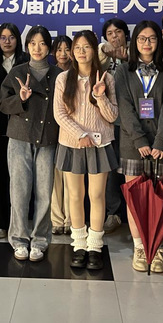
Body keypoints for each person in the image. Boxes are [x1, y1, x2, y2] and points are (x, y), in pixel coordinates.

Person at [54, 30, 118, 270]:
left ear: (94, 50)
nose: (81, 52)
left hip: (100, 144)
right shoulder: (63, 79)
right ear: (72, 52)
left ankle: (95, 246)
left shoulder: (107, 78)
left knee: (97, 196)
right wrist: (80, 135)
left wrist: (100, 97)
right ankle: (79, 245)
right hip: (72, 144)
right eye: (77, 48)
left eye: (86, 47)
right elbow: (59, 114)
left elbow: (112, 116)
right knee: (74, 195)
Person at [115, 21, 163, 273]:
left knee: (159, 200)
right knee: (135, 200)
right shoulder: (123, 71)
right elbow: (125, 107)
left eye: (151, 38)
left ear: (158, 42)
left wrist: (160, 142)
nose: (147, 43)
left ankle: (157, 247)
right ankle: (140, 247)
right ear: (135, 42)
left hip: (161, 147)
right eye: (142, 38)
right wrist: (140, 140)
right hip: (133, 145)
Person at [0, 25, 61, 262]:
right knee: (19, 191)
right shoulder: (17, 71)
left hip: (48, 138)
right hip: (20, 138)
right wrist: (20, 98)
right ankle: (19, 239)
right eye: (33, 43)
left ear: (49, 48)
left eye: (42, 43)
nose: (37, 48)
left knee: (44, 193)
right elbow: (2, 104)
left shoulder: (59, 74)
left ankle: (40, 240)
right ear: (26, 46)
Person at [0, 23, 29, 239]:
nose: (7, 41)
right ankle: (0, 222)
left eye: (11, 37)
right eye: (3, 37)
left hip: (23, 127)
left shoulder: (27, 61)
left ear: (18, 39)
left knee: (22, 178)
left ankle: (20, 223)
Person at [98, 18, 130, 234]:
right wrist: (103, 49)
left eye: (118, 32)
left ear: (126, 34)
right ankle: (114, 213)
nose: (114, 36)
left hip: (132, 121)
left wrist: (127, 58)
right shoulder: (103, 57)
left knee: (133, 168)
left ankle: (136, 211)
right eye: (109, 33)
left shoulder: (136, 53)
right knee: (110, 168)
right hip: (108, 121)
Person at [50, 35, 73, 235]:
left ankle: (71, 220)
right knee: (56, 178)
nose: (63, 54)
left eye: (67, 49)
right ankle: (57, 219)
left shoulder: (78, 73)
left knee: (72, 178)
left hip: (74, 133)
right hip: (53, 132)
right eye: (59, 49)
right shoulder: (50, 74)